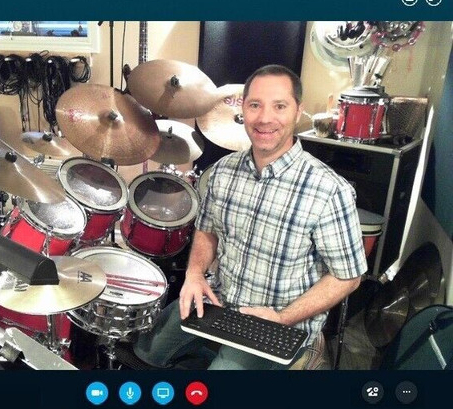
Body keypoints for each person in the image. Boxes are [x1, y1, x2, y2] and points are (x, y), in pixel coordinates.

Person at [133, 65, 368, 370]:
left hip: (279, 319)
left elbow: (348, 276)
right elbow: (207, 230)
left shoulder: (328, 190)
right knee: (146, 350)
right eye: (255, 105)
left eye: (279, 106)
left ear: (298, 111)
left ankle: (306, 355)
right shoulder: (222, 172)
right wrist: (194, 274)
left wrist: (284, 317)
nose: (265, 118)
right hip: (220, 299)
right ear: (242, 108)